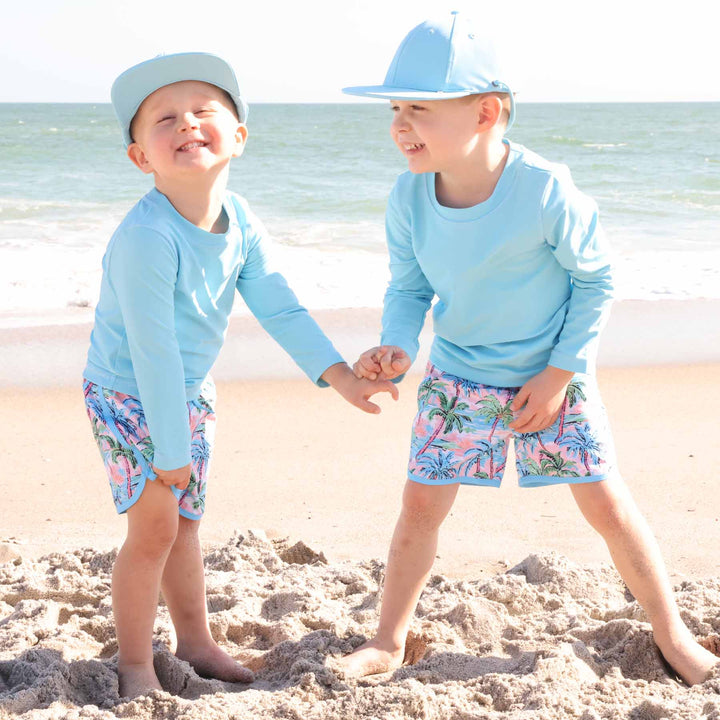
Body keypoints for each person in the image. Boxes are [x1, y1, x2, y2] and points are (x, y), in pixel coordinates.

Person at [338, 12, 718, 685]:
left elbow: (595, 280)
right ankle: (389, 638)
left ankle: (673, 631)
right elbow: (409, 286)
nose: (399, 124)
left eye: (419, 108)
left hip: (553, 372)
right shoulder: (408, 197)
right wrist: (397, 345)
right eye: (395, 108)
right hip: (458, 372)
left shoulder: (545, 189)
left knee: (605, 503)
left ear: (486, 112)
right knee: (421, 507)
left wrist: (559, 373)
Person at [82, 52, 397, 699]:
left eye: (203, 110)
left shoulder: (241, 219)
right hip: (128, 392)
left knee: (188, 525)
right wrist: (169, 453)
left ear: (240, 136)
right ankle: (137, 664)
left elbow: (278, 304)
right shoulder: (148, 237)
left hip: (189, 391)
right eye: (164, 119)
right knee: (154, 528)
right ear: (141, 157)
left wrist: (341, 376)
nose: (186, 124)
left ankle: (195, 643)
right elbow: (154, 352)